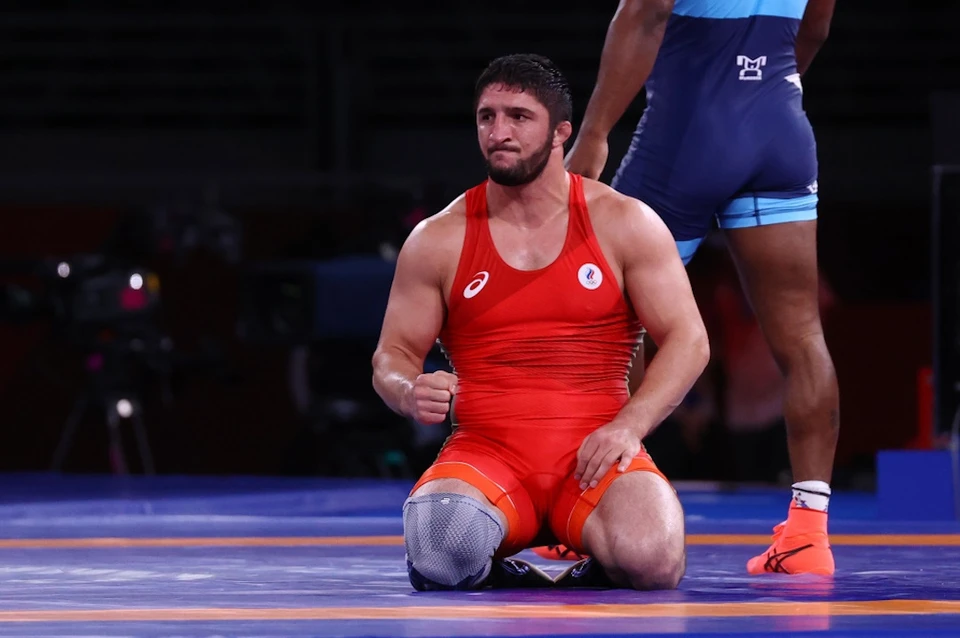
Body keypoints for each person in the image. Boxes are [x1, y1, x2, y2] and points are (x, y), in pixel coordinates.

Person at [371, 53, 709, 591]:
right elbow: (392, 355)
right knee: (440, 549)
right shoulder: (439, 237)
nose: (498, 132)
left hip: (598, 453)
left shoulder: (623, 221)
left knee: (654, 560)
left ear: (560, 133)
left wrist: (630, 425)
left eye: (519, 117)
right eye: (487, 117)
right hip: (487, 453)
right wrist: (408, 389)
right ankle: (503, 570)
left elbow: (688, 340)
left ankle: (590, 565)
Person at [558, 0, 839, 575]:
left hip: (686, 134)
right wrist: (759, 97)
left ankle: (592, 511)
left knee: (609, 328)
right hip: (779, 124)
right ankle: (808, 536)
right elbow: (815, 28)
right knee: (802, 334)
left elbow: (646, 13)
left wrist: (594, 133)